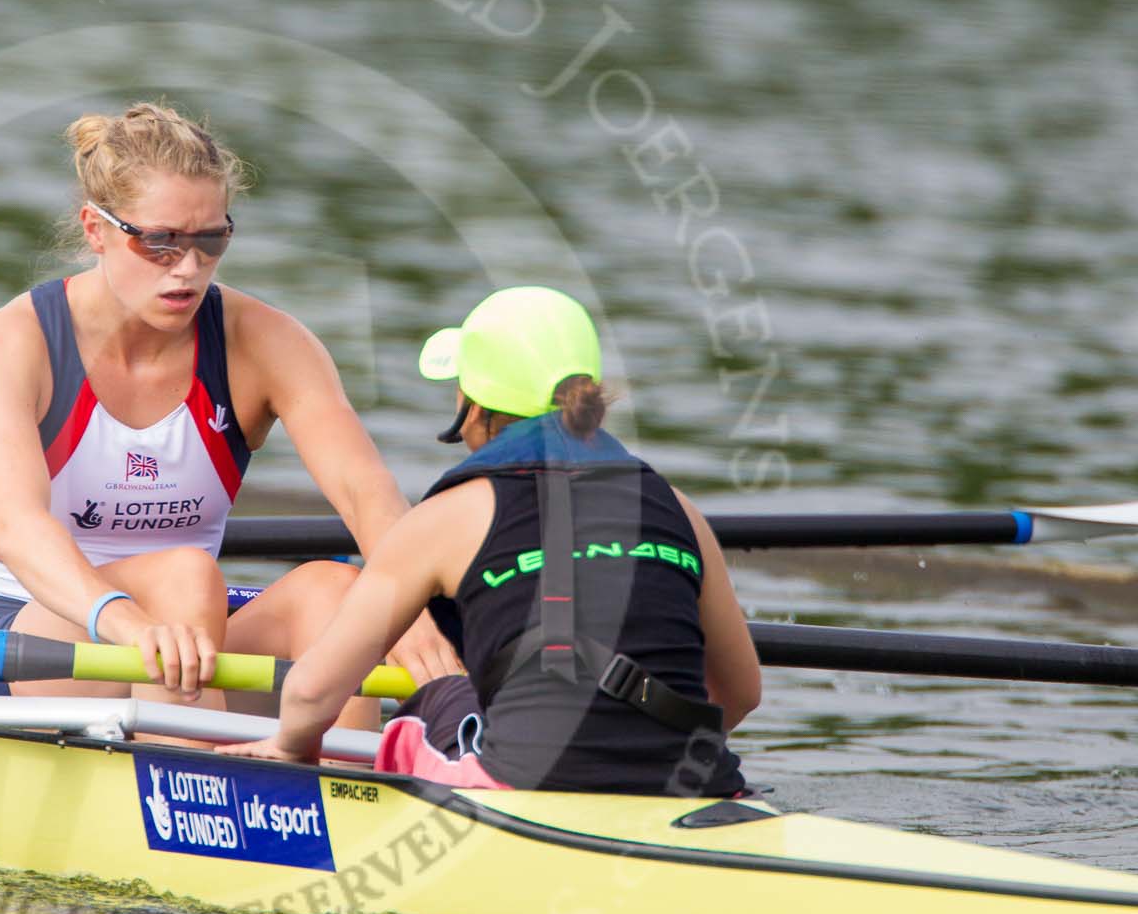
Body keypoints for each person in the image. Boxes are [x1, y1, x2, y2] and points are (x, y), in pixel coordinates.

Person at [0, 101, 460, 709]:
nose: (188, 271)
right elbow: (16, 528)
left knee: (344, 592)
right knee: (184, 576)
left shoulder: (268, 342)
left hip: (185, 642)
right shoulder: (12, 341)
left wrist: (409, 611)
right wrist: (131, 625)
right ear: (96, 229)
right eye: (160, 243)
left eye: (210, 240)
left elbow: (364, 493)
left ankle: (347, 790)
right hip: (18, 643)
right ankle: (194, 783)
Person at [223, 286, 761, 796]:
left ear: (471, 406)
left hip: (522, 783)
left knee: (436, 699)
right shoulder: (677, 507)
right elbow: (740, 693)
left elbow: (312, 691)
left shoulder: (443, 520)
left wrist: (288, 746)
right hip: (700, 781)